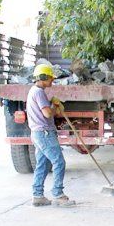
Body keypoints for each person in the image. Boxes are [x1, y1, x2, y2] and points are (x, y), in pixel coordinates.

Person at [27, 63, 75, 207]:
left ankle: (38, 196)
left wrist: (50, 103)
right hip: (44, 133)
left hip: (37, 133)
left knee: (42, 164)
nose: (52, 80)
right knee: (59, 162)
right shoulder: (39, 92)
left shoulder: (33, 91)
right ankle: (58, 194)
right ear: (42, 77)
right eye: (50, 78)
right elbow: (47, 113)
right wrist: (54, 106)